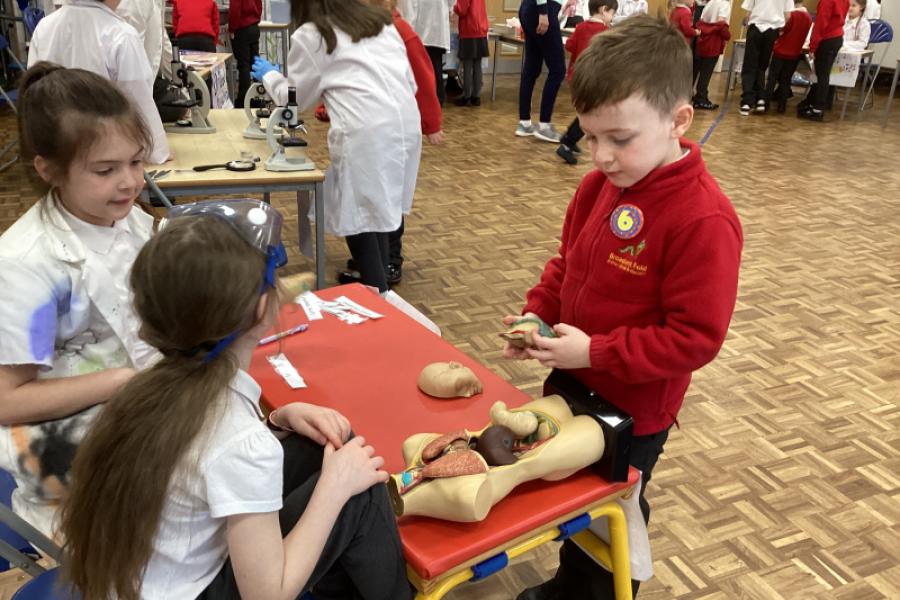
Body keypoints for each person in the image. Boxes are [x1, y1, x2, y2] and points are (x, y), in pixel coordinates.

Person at [59, 200, 413, 600]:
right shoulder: (239, 441)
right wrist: (334, 489)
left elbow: (201, 462)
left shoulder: (150, 387)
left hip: (145, 581)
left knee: (329, 447)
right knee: (358, 489)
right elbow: (268, 595)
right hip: (200, 592)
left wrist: (277, 422)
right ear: (263, 308)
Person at [508, 16, 743, 600]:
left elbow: (695, 338)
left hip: (635, 410)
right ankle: (570, 585)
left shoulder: (704, 219)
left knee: (613, 507)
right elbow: (567, 264)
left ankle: (597, 592)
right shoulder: (598, 188)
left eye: (619, 139)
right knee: (575, 501)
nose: (601, 156)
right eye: (591, 137)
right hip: (573, 381)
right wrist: (538, 314)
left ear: (678, 121)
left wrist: (597, 351)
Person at [0, 63, 157, 538]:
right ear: (48, 170)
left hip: (139, 421)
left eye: (136, 161)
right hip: (69, 465)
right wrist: (120, 382)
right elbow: (7, 400)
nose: (130, 182)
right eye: (106, 170)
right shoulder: (27, 264)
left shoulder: (127, 221)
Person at [253, 0, 421, 293]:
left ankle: (378, 294)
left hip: (367, 133)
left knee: (358, 215)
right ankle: (379, 284)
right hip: (404, 127)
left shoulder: (314, 34)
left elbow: (294, 99)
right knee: (378, 211)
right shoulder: (380, 23)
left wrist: (270, 75)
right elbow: (409, 83)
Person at [339, 0, 443, 286]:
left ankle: (391, 261)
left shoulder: (400, 31)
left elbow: (423, 78)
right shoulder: (367, 30)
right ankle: (373, 258)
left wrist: (432, 122)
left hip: (396, 131)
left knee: (389, 198)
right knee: (374, 196)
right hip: (377, 126)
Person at [27, 0, 171, 164]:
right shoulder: (120, 34)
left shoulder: (44, 28)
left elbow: (34, 90)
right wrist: (157, 151)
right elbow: (138, 100)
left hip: (58, 145)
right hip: (105, 149)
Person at [556, 0, 617, 165]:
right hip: (593, 80)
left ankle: (568, 139)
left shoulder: (581, 27)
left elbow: (569, 46)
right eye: (612, 13)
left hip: (576, 77)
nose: (612, 17)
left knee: (584, 112)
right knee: (590, 115)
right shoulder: (606, 32)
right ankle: (567, 144)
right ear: (604, 10)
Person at [516, 0, 567, 142]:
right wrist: (543, 12)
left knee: (531, 67)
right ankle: (544, 126)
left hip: (529, 8)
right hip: (542, 10)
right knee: (558, 70)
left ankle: (525, 123)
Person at [738, 0, 794, 115]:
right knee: (762, 66)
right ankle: (760, 99)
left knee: (750, 66)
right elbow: (788, 16)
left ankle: (747, 102)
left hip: (756, 27)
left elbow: (748, 12)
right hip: (772, 31)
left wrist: (747, 23)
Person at [798, 0, 849, 121]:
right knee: (823, 74)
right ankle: (814, 104)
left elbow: (821, 23)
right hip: (837, 37)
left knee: (822, 75)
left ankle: (818, 109)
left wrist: (813, 46)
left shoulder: (827, 1)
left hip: (827, 39)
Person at [399, 0, 453, 105]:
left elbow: (411, 6)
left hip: (422, 30)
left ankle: (429, 98)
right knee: (436, 66)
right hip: (437, 30)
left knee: (423, 69)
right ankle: (438, 98)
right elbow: (452, 2)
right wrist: (451, 8)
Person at [764, 0, 811, 113]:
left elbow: (781, 29)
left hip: (780, 51)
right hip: (794, 53)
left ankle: (766, 103)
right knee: (786, 80)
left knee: (772, 78)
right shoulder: (808, 18)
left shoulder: (790, 15)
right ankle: (782, 106)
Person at [693, 0, 731, 110]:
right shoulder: (724, 4)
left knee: (697, 69)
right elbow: (721, 23)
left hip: (703, 40)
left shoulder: (710, 3)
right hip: (714, 42)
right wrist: (727, 35)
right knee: (706, 73)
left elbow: (701, 20)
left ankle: (696, 96)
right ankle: (701, 98)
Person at [453, 0, 489, 106]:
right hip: (481, 30)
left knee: (467, 65)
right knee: (477, 65)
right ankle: (476, 97)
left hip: (469, 30)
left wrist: (453, 6)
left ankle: (466, 97)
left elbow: (462, 10)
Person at [229, 0, 262, 108]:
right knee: (255, 63)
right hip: (254, 27)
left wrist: (232, 28)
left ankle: (243, 99)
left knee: (243, 65)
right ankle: (259, 96)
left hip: (242, 29)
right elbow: (259, 5)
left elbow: (235, 10)